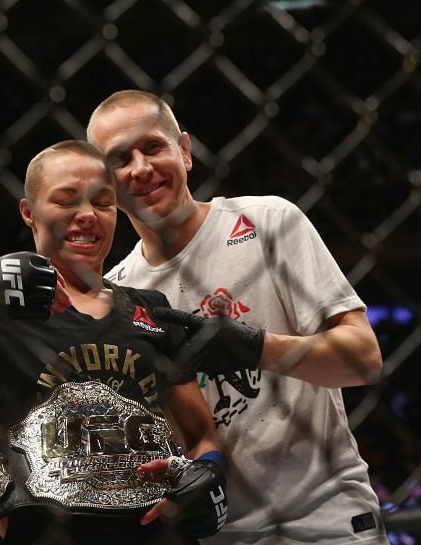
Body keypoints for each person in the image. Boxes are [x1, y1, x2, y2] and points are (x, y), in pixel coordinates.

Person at [0, 140, 232, 545]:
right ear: (29, 214)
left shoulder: (152, 311)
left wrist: (209, 471)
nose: (87, 215)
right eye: (66, 201)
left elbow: (202, 436)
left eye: (103, 202)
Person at [86, 89, 387, 545]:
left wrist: (258, 347)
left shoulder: (268, 224)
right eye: (120, 159)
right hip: (220, 535)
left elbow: (364, 359)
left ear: (184, 152)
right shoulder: (117, 295)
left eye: (152, 147)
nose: (141, 168)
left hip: (326, 521)